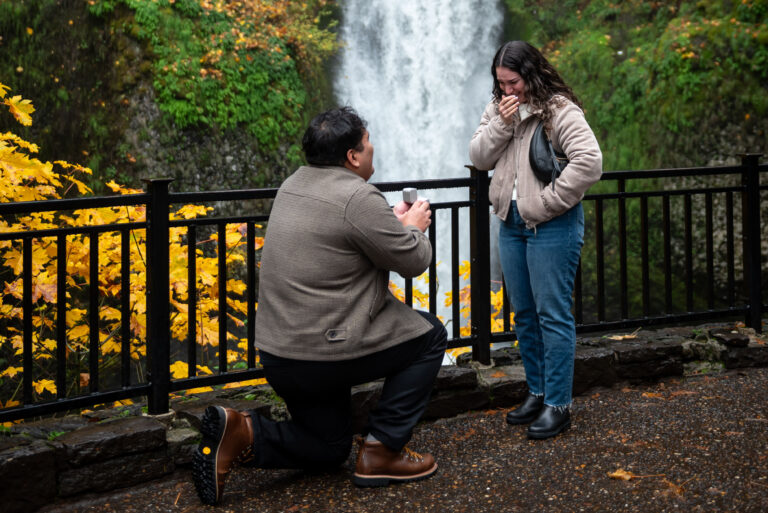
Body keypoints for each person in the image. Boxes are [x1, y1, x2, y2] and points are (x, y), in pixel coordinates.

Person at [192, 106, 448, 505]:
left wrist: (392, 229)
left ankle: (242, 432)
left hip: (281, 354)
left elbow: (342, 242)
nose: (373, 147)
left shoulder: (292, 184)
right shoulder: (358, 196)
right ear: (352, 157)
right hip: (326, 352)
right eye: (367, 143)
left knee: (329, 447)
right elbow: (413, 262)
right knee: (431, 335)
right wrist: (414, 229)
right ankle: (383, 451)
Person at [469, 41, 602, 439]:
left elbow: (590, 161)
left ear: (531, 74)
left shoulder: (558, 109)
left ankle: (558, 404)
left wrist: (546, 203)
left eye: (513, 83)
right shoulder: (499, 109)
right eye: (501, 83)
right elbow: (478, 156)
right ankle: (538, 390)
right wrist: (503, 123)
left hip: (552, 225)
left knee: (553, 315)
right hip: (511, 223)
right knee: (524, 314)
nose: (507, 91)